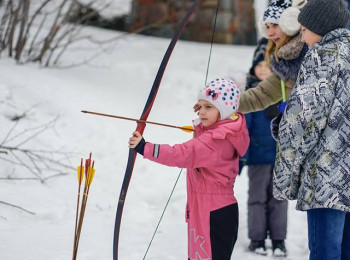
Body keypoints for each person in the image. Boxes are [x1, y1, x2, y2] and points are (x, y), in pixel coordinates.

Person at [128, 78, 250, 260]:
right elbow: (202, 141)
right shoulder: (225, 131)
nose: (201, 112)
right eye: (200, 107)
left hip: (212, 212)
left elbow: (183, 153)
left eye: (208, 107)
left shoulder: (215, 141)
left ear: (225, 110)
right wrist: (205, 118)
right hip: (215, 209)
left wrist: (144, 147)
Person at [273, 0, 350, 259]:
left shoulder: (322, 55)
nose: (302, 37)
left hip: (326, 178)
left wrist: (285, 178)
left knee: (325, 253)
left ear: (321, 27)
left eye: (304, 29)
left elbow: (304, 122)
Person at [242, 38, 288, 256]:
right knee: (257, 199)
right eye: (259, 66)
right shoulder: (249, 95)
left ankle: (279, 239)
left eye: (267, 66)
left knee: (279, 199)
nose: (263, 70)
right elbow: (244, 131)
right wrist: (243, 157)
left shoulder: (283, 91)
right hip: (258, 158)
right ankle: (257, 238)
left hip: (281, 158)